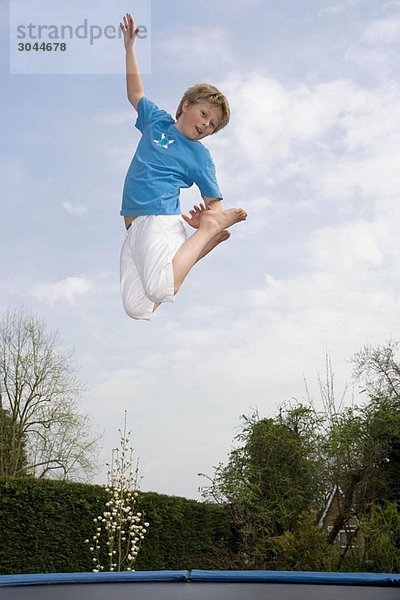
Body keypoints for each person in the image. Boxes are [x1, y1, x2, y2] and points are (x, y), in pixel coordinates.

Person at [119, 13, 247, 320]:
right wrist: (129, 49)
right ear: (186, 105)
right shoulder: (157, 121)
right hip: (133, 227)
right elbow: (135, 93)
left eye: (213, 125)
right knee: (137, 307)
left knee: (161, 288)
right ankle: (202, 242)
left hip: (160, 219)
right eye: (204, 114)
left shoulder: (199, 156)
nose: (206, 124)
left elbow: (214, 202)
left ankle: (205, 236)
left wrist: (210, 219)